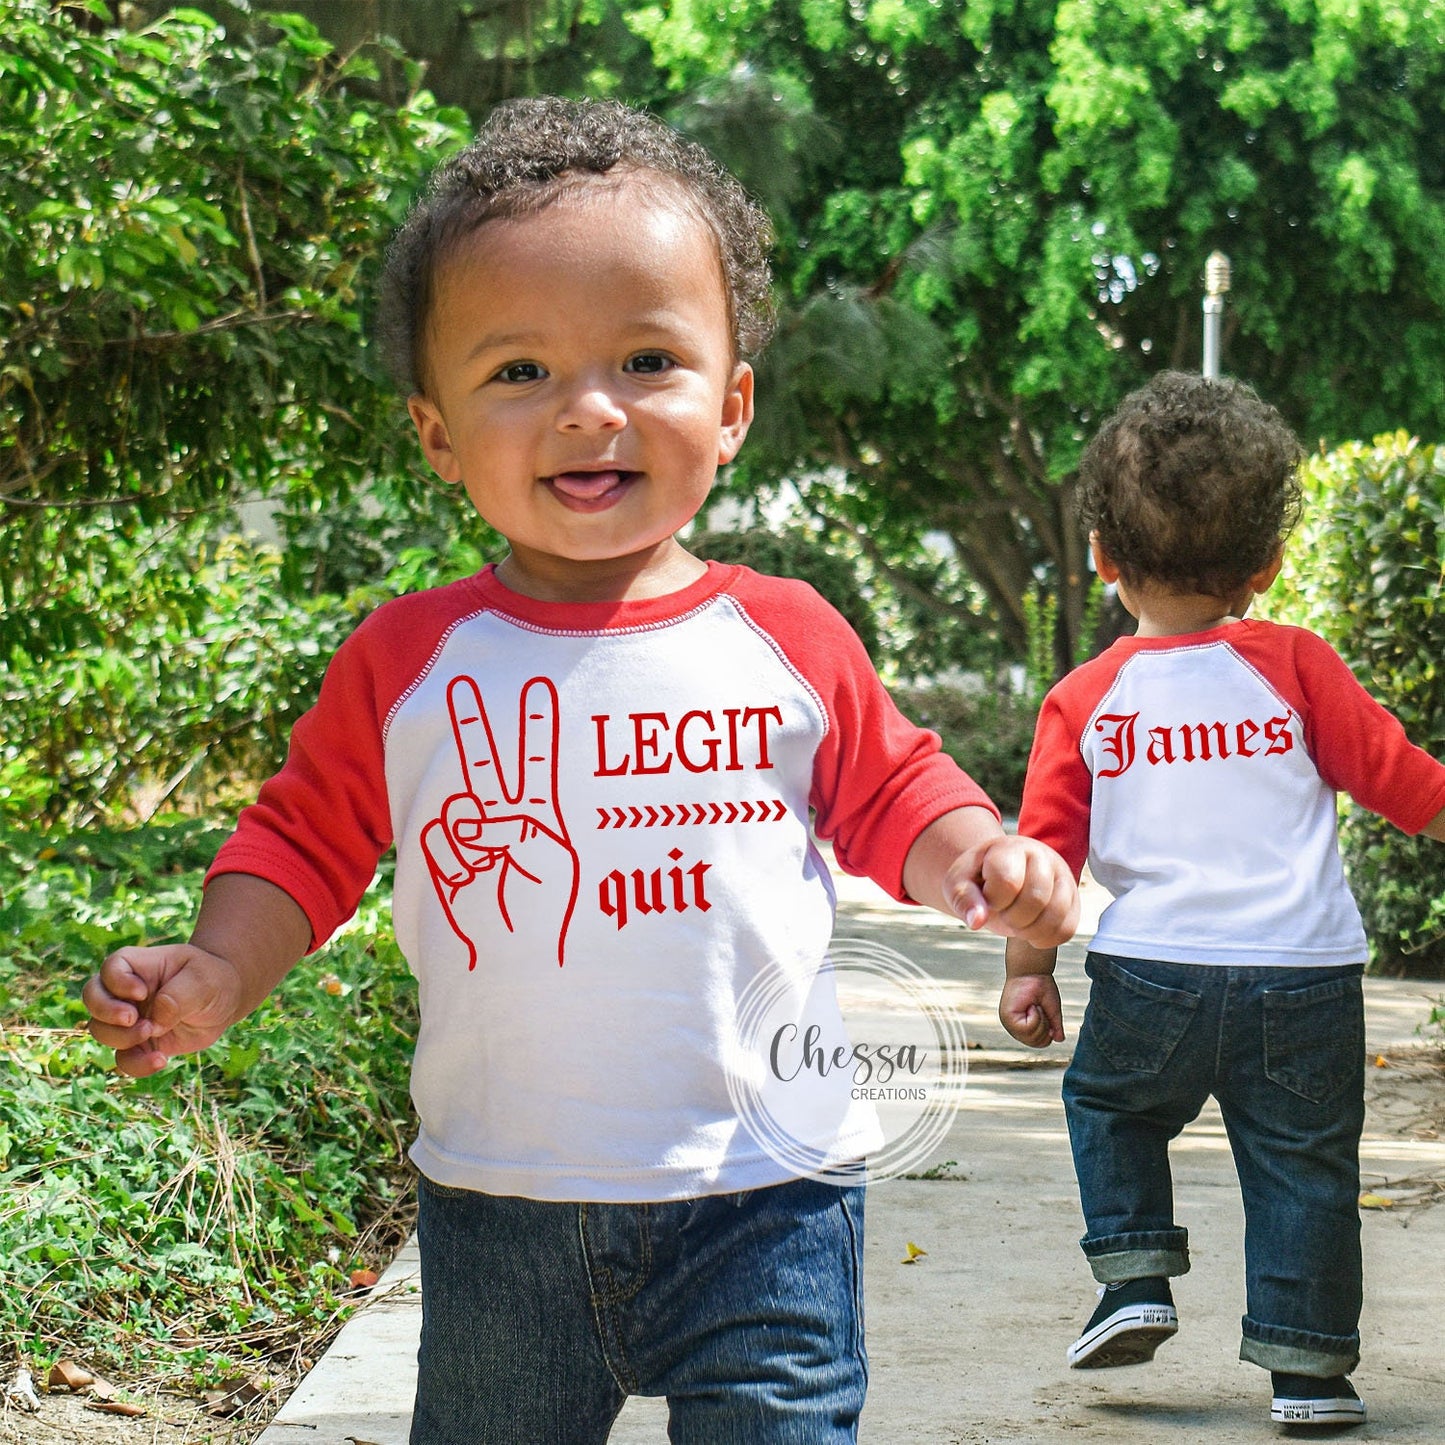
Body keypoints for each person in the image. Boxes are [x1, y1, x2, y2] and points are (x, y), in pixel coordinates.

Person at [84, 97, 1078, 1445]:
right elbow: (301, 843)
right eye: (519, 373)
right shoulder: (410, 659)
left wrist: (979, 857)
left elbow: (892, 791)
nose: (589, 410)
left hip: (768, 1194)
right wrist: (216, 966)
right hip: (504, 1210)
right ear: (438, 436)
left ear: (729, 407)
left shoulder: (784, 633)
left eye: (646, 358)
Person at [999, 370, 1445, 1429]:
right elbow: (1401, 782)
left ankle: (1134, 1270)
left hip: (1149, 972)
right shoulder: (1294, 664)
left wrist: (1027, 973)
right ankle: (1307, 1371)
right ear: (1268, 563)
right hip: (1303, 978)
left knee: (1109, 1102)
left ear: (1103, 562)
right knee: (1301, 1166)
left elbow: (1042, 860)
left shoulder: (1084, 696)